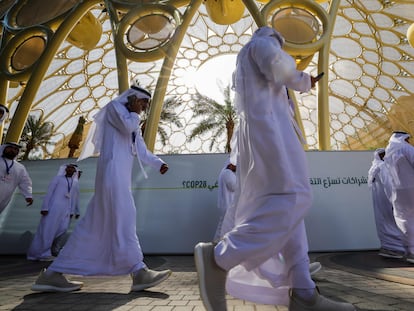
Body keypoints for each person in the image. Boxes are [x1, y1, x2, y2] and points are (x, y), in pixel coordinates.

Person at [194, 26, 355, 311]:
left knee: (291, 215)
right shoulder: (264, 43)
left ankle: (304, 292)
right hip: (270, 133)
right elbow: (279, 67)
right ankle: (220, 257)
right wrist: (303, 80)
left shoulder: (248, 58)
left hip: (266, 132)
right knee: (293, 197)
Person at [31, 84, 171, 292]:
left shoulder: (132, 119)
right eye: (143, 101)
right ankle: (139, 271)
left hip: (119, 178)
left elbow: (141, 148)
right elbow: (126, 126)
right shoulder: (116, 108)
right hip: (111, 175)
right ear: (133, 98)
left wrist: (159, 163)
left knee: (94, 227)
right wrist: (134, 114)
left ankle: (52, 274)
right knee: (125, 216)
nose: (144, 107)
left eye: (146, 104)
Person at [27, 164, 80, 261]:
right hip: (52, 209)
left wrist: (72, 211)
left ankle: (42, 251)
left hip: (65, 211)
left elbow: (74, 198)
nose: (70, 169)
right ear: (65, 169)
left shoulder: (75, 183)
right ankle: (41, 254)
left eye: (73, 168)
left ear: (75, 170)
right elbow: (49, 193)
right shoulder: (57, 179)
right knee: (47, 231)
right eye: (69, 167)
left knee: (62, 229)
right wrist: (45, 207)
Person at [368, 148, 405, 259]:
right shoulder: (383, 167)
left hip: (379, 200)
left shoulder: (374, 167)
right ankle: (394, 249)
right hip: (387, 199)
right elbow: (388, 184)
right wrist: (394, 199)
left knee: (384, 224)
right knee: (391, 223)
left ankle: (388, 247)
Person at [383, 131, 414, 263]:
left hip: (397, 191)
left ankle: (411, 250)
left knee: (404, 220)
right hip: (411, 187)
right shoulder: (406, 148)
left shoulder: (388, 150)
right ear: (405, 138)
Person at [0, 142, 33, 214]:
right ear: (4, 148)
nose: (12, 150)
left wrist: (28, 195)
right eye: (10, 148)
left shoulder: (20, 168)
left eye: (15, 149)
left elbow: (25, 182)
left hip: (4, 199)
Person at [214, 159, 237, 241]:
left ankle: (217, 244)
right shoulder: (228, 173)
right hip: (228, 205)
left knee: (223, 227)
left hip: (226, 205)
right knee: (226, 227)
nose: (236, 167)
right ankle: (219, 244)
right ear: (230, 164)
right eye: (235, 165)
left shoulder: (224, 172)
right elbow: (234, 186)